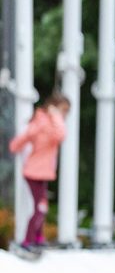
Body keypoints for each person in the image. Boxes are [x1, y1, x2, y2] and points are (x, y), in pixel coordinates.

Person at [8, 92, 71, 253]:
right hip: (34, 172)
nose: (64, 115)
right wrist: (55, 116)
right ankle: (27, 240)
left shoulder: (46, 122)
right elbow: (60, 135)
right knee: (39, 208)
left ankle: (38, 238)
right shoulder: (44, 123)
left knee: (42, 206)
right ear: (54, 108)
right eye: (62, 110)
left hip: (42, 172)